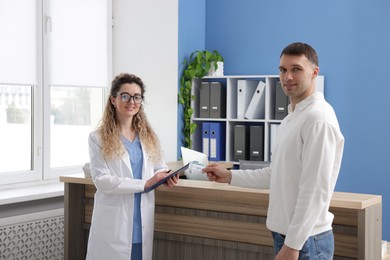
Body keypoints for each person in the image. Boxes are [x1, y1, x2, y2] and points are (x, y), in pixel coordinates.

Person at [203, 42, 344, 260]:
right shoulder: (292, 117)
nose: (287, 76)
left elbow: (315, 190)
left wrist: (293, 245)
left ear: (314, 73)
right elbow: (275, 173)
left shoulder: (318, 119)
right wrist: (230, 176)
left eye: (296, 69)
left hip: (306, 242)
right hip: (286, 236)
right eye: (283, 70)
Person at [86, 73, 178, 260]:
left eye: (137, 97)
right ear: (113, 99)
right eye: (125, 96)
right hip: (114, 223)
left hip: (141, 220)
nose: (132, 101)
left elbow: (159, 166)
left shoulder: (149, 136)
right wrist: (144, 184)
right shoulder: (97, 138)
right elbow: (102, 181)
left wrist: (165, 176)